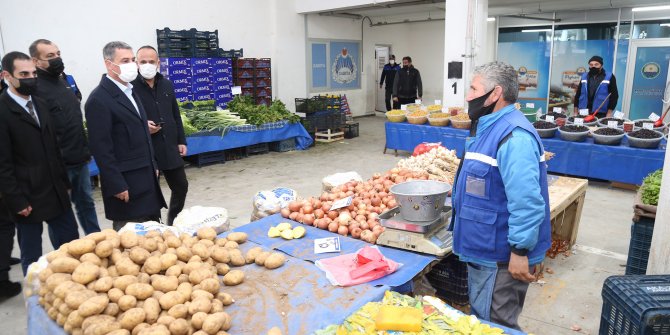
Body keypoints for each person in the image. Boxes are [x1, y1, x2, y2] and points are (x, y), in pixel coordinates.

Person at [450, 61, 551, 330]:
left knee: (496, 325)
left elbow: (527, 202)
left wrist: (519, 252)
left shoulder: (514, 137)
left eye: (473, 88)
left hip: (500, 257)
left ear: (495, 94)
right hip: (484, 247)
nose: (468, 95)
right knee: (485, 319)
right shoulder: (487, 127)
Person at [0, 52, 80, 277]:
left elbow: (54, 147)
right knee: (32, 253)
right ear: (7, 76)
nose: (31, 78)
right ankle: (35, 298)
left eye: (33, 73)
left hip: (55, 189)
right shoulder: (3, 111)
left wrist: (64, 182)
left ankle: (70, 286)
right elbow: (3, 165)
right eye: (23, 74)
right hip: (27, 195)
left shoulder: (40, 103)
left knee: (70, 245)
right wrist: (16, 200)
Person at [85, 41, 166, 231]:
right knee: (131, 237)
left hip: (146, 177)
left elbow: (142, 135)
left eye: (132, 60)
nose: (132, 65)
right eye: (124, 60)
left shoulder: (130, 91)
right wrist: (116, 185)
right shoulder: (99, 100)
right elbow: (101, 148)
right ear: (109, 64)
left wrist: (153, 165)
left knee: (154, 233)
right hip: (126, 185)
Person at [30, 39, 100, 235]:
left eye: (58, 54)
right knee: (61, 213)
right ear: (36, 61)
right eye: (50, 56)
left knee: (86, 204)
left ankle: (96, 240)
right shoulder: (35, 89)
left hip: (79, 158)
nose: (57, 59)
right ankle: (67, 252)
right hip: (58, 165)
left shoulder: (64, 82)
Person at [132, 46, 189, 226]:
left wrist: (181, 140)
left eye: (151, 61)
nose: (147, 65)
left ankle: (173, 222)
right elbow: (127, 119)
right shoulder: (131, 87)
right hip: (148, 148)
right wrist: (142, 126)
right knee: (150, 192)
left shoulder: (166, 84)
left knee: (181, 185)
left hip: (169, 146)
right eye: (143, 62)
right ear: (136, 63)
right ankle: (153, 227)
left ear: (158, 63)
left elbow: (175, 113)